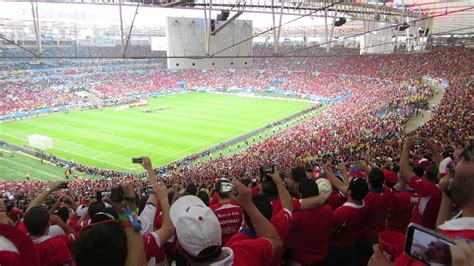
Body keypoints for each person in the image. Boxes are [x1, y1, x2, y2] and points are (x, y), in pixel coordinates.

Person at [169, 180, 283, 265]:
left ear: (180, 248)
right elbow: (275, 242)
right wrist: (249, 205)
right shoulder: (245, 251)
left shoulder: (240, 245)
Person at [287, 177, 334, 266]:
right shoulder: (328, 209)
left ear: (300, 194)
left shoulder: (296, 216)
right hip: (323, 258)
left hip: (302, 261)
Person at [400, 137, 442, 230]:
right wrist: (433, 150)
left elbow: (405, 171)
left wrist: (406, 147)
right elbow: (442, 169)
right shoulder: (445, 187)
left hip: (420, 231)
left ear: (429, 177)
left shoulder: (430, 190)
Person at [210, 178, 243, 245]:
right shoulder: (240, 206)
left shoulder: (211, 210)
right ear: (230, 191)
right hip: (238, 244)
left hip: (220, 247)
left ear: (216, 193)